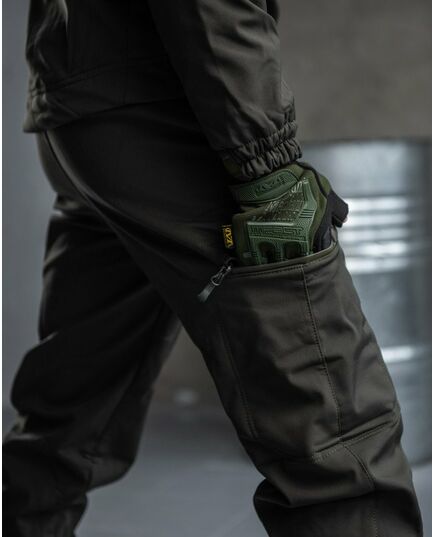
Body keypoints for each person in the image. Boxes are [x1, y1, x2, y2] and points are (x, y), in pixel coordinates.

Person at [3, 1, 423, 536]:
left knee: (73, 406)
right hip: (168, 111)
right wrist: (269, 167)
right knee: (337, 439)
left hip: (79, 111)